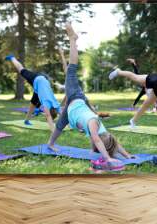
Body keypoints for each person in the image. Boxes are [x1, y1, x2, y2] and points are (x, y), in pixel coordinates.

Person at [47, 23, 135, 167]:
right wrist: (108, 159)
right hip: (76, 97)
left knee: (59, 126)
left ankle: (50, 143)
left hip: (73, 111)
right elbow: (100, 140)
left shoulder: (103, 133)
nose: (97, 142)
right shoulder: (96, 127)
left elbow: (113, 143)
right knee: (71, 70)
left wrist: (127, 155)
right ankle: (72, 38)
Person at [5, 54, 61, 132]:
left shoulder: (56, 105)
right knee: (21, 70)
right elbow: (48, 116)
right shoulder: (46, 104)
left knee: (33, 103)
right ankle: (12, 58)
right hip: (37, 79)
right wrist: (53, 130)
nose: (44, 114)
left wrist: (71, 124)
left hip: (42, 86)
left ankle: (26, 120)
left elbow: (62, 115)